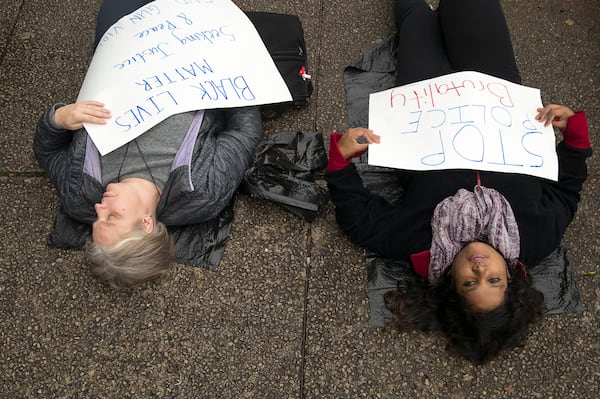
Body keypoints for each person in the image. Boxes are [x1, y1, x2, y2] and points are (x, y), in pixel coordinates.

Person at [325, 0, 592, 363]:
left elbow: (359, 221)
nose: (481, 269)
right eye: (493, 280)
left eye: (470, 282)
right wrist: (575, 138)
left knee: (415, 17)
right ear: (511, 280)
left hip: (423, 94)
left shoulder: (418, 244)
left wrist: (340, 162)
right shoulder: (538, 236)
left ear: (451, 285)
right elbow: (567, 194)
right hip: (494, 86)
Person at [33, 0, 263, 289]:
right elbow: (245, 131)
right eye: (112, 217)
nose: (99, 208)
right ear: (146, 224)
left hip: (124, 51)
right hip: (195, 52)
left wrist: (58, 119)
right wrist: (227, 68)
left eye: (96, 220)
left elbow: (48, 151)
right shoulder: (201, 192)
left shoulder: (78, 195)